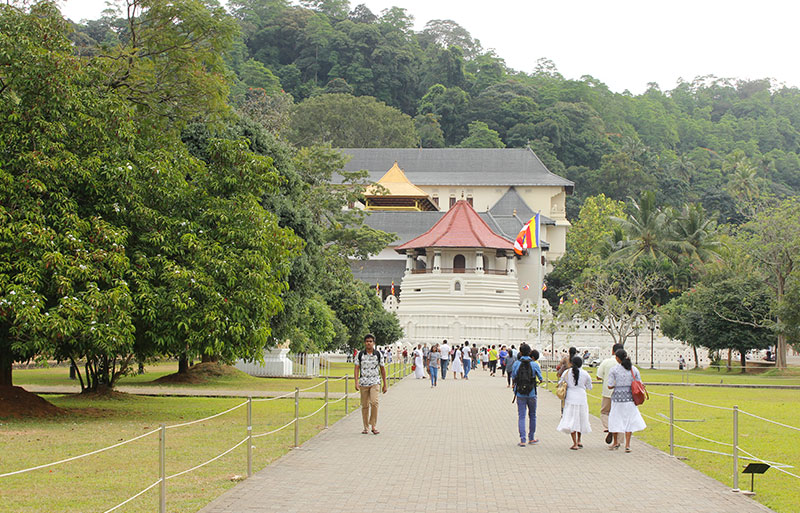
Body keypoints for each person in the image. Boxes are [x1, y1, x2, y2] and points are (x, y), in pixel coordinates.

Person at [607, 348, 647, 452]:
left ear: (617, 358)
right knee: (629, 421)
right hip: (630, 398)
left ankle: (615, 442)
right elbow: (639, 383)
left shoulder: (614, 370)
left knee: (615, 420)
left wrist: (617, 384)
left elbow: (610, 385)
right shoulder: (633, 369)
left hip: (617, 399)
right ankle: (627, 445)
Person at [556, 355, 592, 450]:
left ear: (571, 363)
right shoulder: (585, 373)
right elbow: (589, 387)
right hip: (581, 397)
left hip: (571, 397)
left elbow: (560, 383)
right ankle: (579, 440)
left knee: (571, 418)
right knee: (580, 418)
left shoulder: (567, 373)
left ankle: (574, 442)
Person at [354, 334, 387, 435]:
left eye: (370, 341)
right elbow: (356, 369)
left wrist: (385, 384)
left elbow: (382, 369)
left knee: (374, 402)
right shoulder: (360, 354)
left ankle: (373, 425)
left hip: (375, 382)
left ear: (374, 343)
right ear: (364, 343)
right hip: (363, 382)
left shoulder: (378, 354)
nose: (369, 343)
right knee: (364, 405)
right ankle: (365, 427)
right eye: (367, 341)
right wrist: (356, 382)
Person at [511, 344, 544, 446]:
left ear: (520, 353)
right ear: (529, 352)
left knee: (521, 416)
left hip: (520, 392)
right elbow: (541, 378)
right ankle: (531, 437)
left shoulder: (516, 363)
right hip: (531, 393)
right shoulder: (534, 364)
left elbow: (514, 376)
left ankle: (522, 440)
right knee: (532, 415)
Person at [596, 343, 624, 444]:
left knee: (604, 412)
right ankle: (619, 441)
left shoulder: (606, 362)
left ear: (612, 351)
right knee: (620, 416)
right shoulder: (626, 364)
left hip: (607, 392)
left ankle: (610, 428)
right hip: (622, 394)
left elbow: (598, 376)